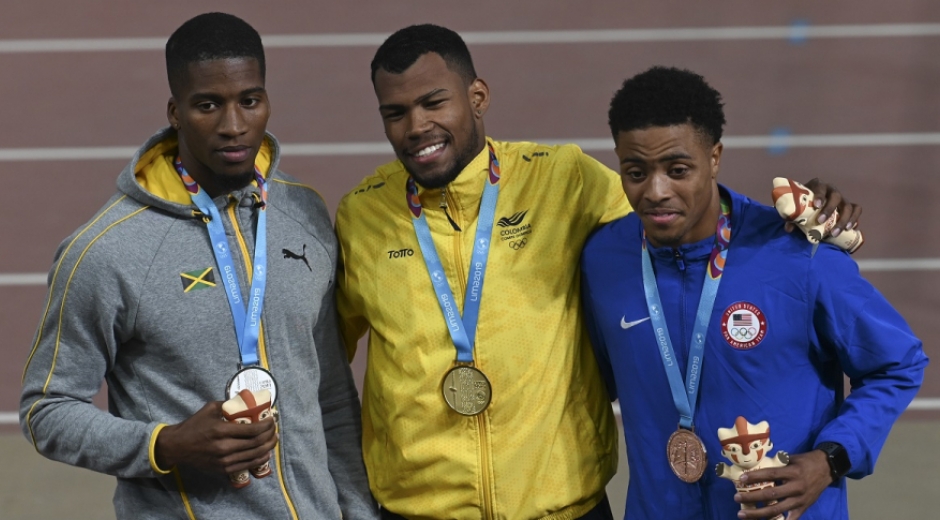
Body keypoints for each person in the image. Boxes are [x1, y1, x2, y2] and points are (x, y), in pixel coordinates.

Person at [335, 24, 861, 520]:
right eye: (395, 112)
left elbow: (680, 207)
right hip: (414, 510)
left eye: (433, 103)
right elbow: (323, 360)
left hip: (565, 506)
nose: (417, 126)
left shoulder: (564, 179)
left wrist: (789, 222)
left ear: (477, 97)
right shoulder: (361, 215)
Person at [20, 12, 378, 519]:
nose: (233, 125)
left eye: (249, 101)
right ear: (175, 110)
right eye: (208, 105)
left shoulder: (304, 213)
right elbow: (46, 410)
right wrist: (164, 445)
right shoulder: (106, 251)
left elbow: (331, 396)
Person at [580, 66, 927, 520]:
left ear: (716, 156)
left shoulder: (795, 254)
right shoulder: (604, 259)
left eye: (678, 169)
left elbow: (898, 364)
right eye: (636, 172)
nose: (656, 191)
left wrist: (829, 460)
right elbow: (593, 382)